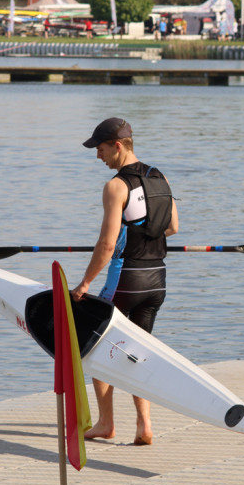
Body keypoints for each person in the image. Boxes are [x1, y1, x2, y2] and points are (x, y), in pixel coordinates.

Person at [71, 118, 179, 445]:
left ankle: (106, 423)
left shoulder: (115, 187)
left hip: (126, 282)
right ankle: (144, 425)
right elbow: (173, 226)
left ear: (118, 146)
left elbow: (106, 246)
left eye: (101, 149)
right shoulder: (160, 177)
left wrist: (84, 284)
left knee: (93, 345)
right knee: (139, 351)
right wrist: (141, 229)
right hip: (157, 281)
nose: (98, 156)